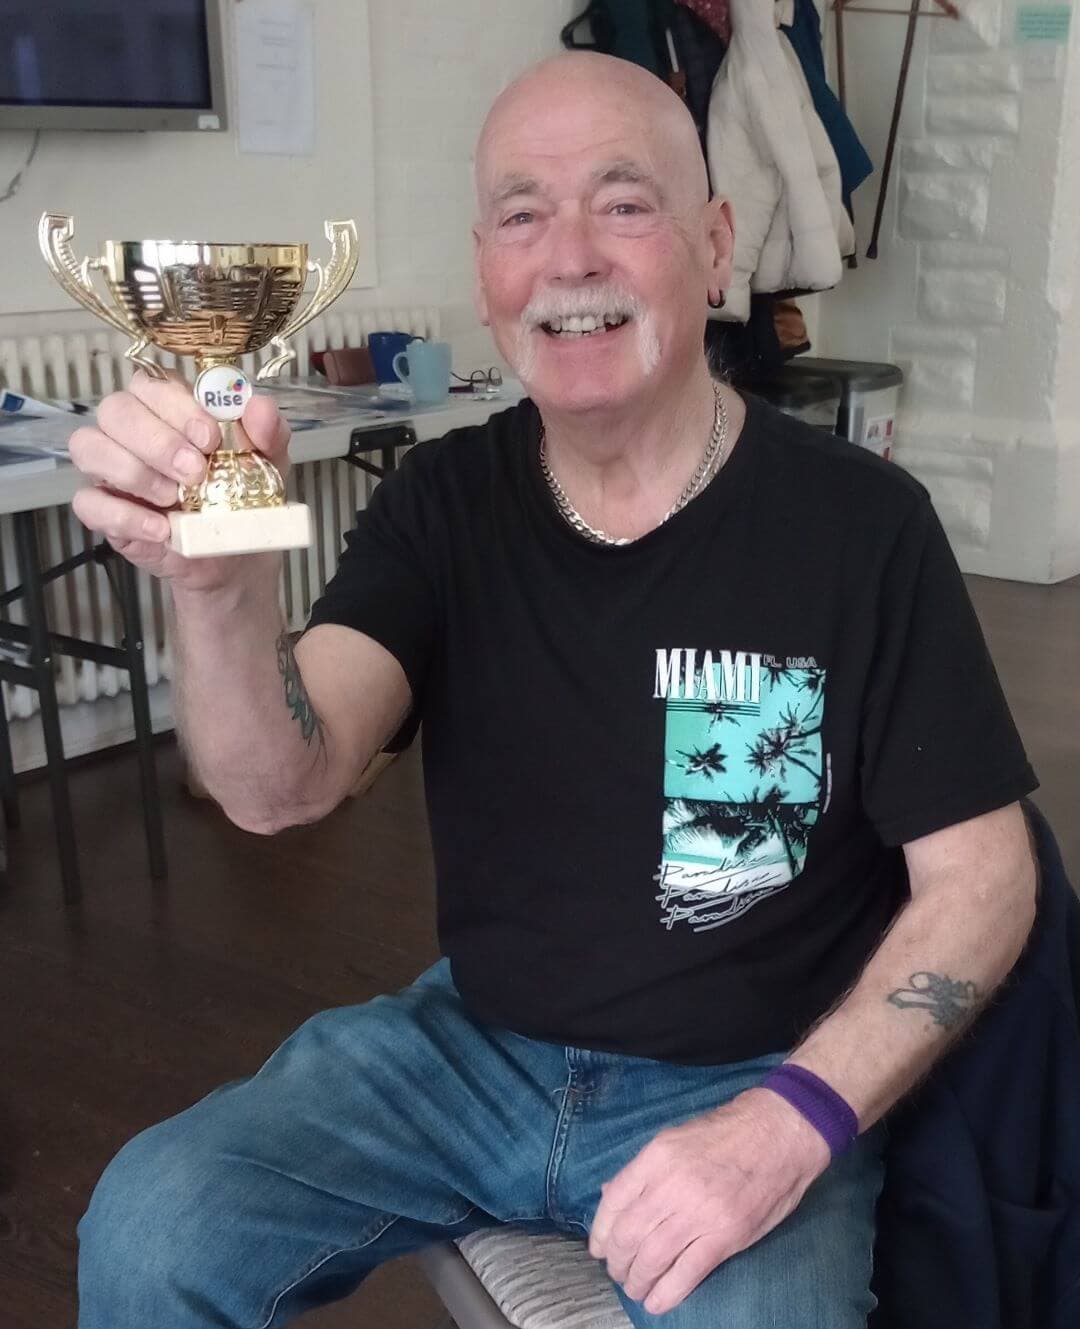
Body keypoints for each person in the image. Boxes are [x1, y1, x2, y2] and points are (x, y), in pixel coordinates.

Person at [68, 51, 1038, 1329]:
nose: (570, 257)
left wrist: (789, 1123)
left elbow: (983, 877)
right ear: (486, 270)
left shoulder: (863, 527)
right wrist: (217, 593)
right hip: (471, 1053)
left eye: (623, 203)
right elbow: (277, 788)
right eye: (523, 215)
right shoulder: (440, 503)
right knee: (151, 1226)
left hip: (750, 1071)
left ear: (715, 245)